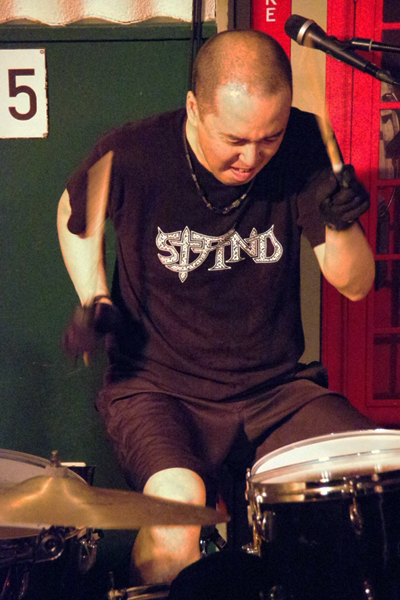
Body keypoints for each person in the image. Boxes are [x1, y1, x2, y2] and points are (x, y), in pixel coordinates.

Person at [57, 29, 376, 586]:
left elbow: (355, 286)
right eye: (234, 139)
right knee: (175, 515)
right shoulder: (134, 152)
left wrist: (341, 224)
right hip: (159, 387)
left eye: (270, 137)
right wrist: (94, 294)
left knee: (364, 485)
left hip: (275, 389)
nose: (251, 157)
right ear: (193, 108)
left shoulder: (305, 144)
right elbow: (72, 210)